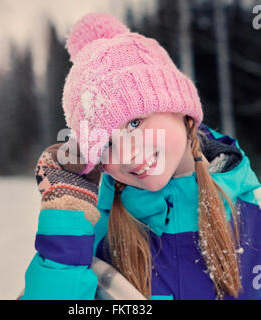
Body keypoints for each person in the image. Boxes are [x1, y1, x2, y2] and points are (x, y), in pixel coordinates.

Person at [20, 13, 261, 300]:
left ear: (180, 109)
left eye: (135, 123)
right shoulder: (96, 237)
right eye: (106, 144)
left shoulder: (252, 212)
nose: (127, 154)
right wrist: (64, 219)